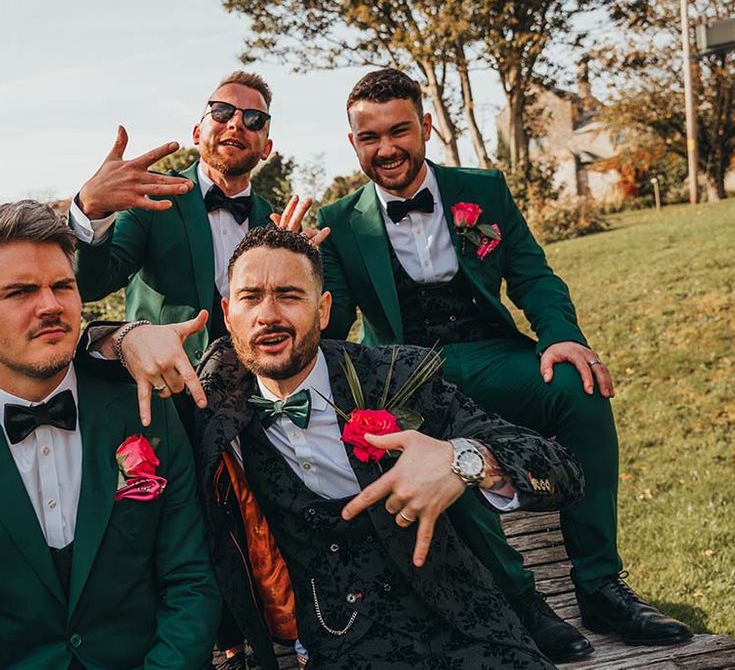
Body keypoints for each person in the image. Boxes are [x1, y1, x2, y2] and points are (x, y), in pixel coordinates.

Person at [315, 67, 693, 653]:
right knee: (422, 441)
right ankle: (522, 602)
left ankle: (600, 585)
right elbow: (334, 325)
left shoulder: (482, 189)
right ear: (353, 143)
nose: (386, 148)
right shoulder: (339, 221)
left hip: (491, 351)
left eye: (400, 130)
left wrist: (561, 335)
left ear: (426, 127)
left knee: (579, 387)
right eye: (370, 137)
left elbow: (532, 273)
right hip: (408, 373)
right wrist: (291, 263)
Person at [101, 226, 586, 669]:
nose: (268, 315)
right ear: (228, 314)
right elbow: (65, 357)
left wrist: (464, 459)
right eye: (250, 298)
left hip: (467, 627)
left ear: (325, 309)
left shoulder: (396, 376)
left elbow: (563, 471)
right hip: (339, 643)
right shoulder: (207, 404)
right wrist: (124, 336)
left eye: (289, 295)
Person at [0, 200, 221, 669]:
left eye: (63, 285)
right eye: (20, 292)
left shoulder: (146, 408)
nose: (51, 305)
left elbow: (190, 580)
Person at [70, 70, 327, 366]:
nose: (235, 123)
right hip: (162, 391)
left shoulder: (273, 222)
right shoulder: (151, 198)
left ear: (266, 148)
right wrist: (90, 209)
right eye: (221, 112)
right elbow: (89, 286)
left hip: (248, 394)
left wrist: (298, 265)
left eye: (254, 119)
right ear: (197, 133)